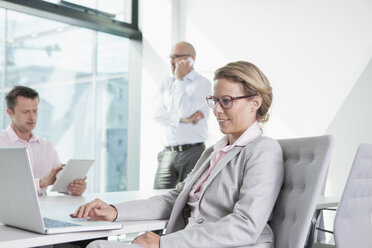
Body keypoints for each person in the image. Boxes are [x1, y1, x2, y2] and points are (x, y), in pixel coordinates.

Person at [71, 61, 284, 248]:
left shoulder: (263, 150)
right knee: (97, 245)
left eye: (226, 101)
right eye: (214, 100)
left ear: (255, 102)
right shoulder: (214, 151)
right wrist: (115, 211)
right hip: (184, 242)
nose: (217, 110)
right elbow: (176, 198)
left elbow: (246, 224)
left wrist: (165, 243)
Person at [0, 85, 87, 196]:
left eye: (35, 111)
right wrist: (40, 183)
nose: (32, 117)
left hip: (44, 211)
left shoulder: (46, 146)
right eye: (26, 112)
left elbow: (59, 179)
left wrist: (73, 187)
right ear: (10, 113)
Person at [153, 41, 212, 189]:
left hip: (192, 152)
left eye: (176, 57)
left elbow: (185, 110)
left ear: (190, 59)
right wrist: (180, 119)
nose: (172, 61)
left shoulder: (202, 83)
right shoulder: (166, 82)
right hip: (168, 153)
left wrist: (179, 81)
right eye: (171, 57)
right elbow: (154, 113)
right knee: (158, 198)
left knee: (187, 200)